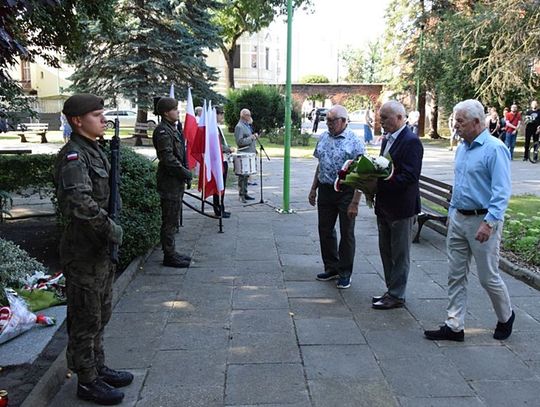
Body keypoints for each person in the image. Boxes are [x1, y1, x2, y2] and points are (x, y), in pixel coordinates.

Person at [53, 94, 132, 405]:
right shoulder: (74, 156)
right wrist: (111, 230)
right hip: (84, 252)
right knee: (85, 317)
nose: (103, 120)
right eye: (97, 115)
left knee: (101, 313)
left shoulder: (94, 150)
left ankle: (97, 367)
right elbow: (80, 204)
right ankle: (86, 380)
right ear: (77, 121)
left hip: (99, 250)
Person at [424, 99, 514, 342]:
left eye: (460, 121)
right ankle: (454, 326)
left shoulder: (494, 149)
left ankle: (506, 316)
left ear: (477, 122)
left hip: (482, 220)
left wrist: (490, 222)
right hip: (459, 218)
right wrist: (451, 214)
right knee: (455, 274)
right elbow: (460, 185)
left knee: (487, 277)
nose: (456, 125)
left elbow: (502, 191)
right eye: (455, 120)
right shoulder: (463, 147)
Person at [371, 101, 424, 309]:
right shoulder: (387, 139)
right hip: (385, 206)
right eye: (380, 117)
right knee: (386, 251)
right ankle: (390, 290)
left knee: (400, 254)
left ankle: (396, 294)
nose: (381, 121)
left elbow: (410, 176)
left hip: (401, 208)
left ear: (400, 118)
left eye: (385, 118)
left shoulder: (411, 141)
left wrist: (380, 184)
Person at [309, 105, 364, 289]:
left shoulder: (354, 141)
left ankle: (345, 272)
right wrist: (313, 188)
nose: (328, 124)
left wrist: (355, 202)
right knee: (325, 230)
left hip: (346, 191)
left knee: (346, 232)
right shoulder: (324, 137)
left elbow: (362, 174)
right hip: (325, 189)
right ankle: (331, 267)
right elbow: (320, 164)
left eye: (332, 121)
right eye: (327, 120)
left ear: (343, 120)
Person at [152, 97, 192, 268]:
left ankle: (172, 251)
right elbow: (168, 159)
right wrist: (185, 173)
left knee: (174, 218)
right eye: (175, 109)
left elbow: (181, 155)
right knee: (169, 219)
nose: (178, 112)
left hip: (176, 180)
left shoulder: (173, 129)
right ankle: (169, 255)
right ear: (166, 113)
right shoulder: (162, 131)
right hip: (169, 181)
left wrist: (185, 173)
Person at [212, 106, 234, 217]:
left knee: (222, 185)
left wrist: (228, 147)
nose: (222, 116)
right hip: (219, 161)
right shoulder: (212, 128)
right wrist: (227, 149)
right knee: (219, 185)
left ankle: (221, 207)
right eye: (221, 114)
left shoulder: (217, 127)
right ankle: (218, 209)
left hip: (223, 159)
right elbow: (215, 145)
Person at [234, 108, 257, 202]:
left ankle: (245, 193)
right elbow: (239, 142)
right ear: (243, 115)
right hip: (243, 153)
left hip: (249, 153)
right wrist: (251, 138)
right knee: (242, 176)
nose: (249, 117)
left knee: (247, 175)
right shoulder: (239, 126)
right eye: (248, 115)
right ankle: (241, 195)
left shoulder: (247, 125)